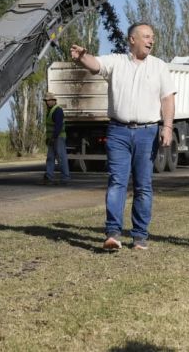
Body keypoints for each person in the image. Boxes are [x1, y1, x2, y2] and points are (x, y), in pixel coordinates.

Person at [70, 23, 176, 251]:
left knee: (143, 186)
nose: (151, 41)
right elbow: (95, 65)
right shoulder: (116, 62)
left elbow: (168, 99)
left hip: (148, 132)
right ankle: (113, 233)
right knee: (117, 181)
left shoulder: (159, 66)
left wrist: (167, 127)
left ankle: (139, 236)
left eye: (153, 37)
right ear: (132, 39)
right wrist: (81, 57)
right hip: (118, 131)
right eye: (146, 36)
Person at [42, 91, 70, 185]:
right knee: (50, 158)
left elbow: (58, 126)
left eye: (49, 100)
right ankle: (49, 177)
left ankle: (65, 178)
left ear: (54, 100)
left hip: (58, 138)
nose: (47, 102)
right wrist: (48, 138)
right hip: (52, 138)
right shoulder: (50, 111)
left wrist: (53, 137)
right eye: (46, 101)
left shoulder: (57, 110)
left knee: (61, 158)